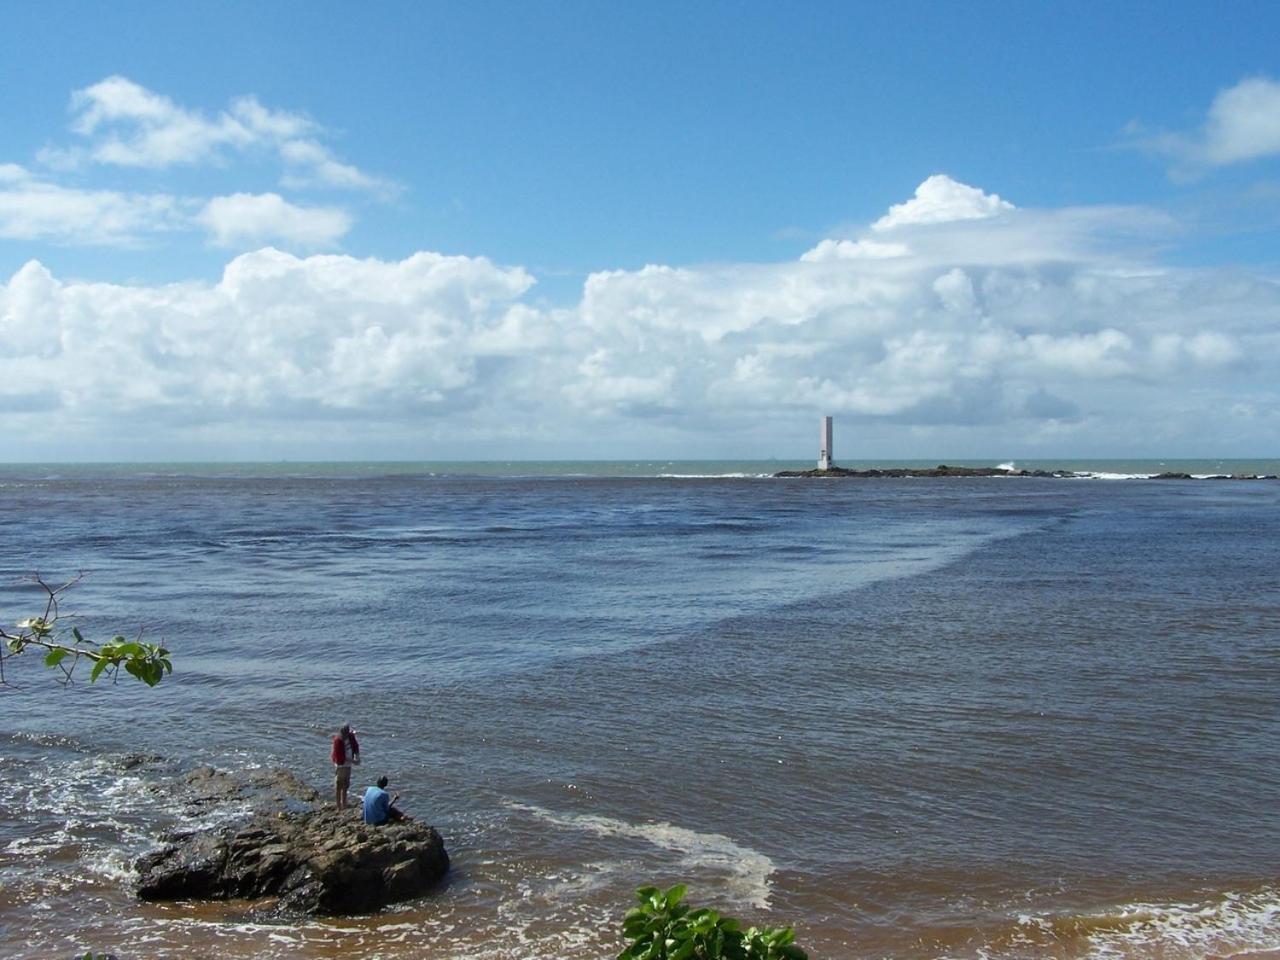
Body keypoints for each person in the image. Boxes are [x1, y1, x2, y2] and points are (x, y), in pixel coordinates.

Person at [331, 723, 361, 809]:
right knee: (339, 785)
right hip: (340, 766)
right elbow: (340, 757)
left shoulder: (351, 737)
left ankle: (344, 804)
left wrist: (357, 756)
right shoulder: (338, 740)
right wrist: (353, 761)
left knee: (345, 785)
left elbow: (355, 746)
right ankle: (338, 806)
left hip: (348, 766)